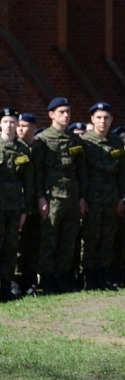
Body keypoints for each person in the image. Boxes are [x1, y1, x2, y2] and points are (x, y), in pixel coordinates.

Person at [33, 97, 88, 294]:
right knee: (49, 240)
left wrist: (82, 197)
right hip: (52, 197)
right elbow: (37, 172)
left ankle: (63, 278)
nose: (65, 115)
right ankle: (47, 280)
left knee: (68, 240)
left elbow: (81, 171)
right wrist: (40, 198)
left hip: (72, 197)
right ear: (51, 115)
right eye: (61, 112)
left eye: (68, 112)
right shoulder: (43, 140)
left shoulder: (75, 140)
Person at [80, 102, 125, 290]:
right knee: (91, 238)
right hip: (92, 197)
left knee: (108, 238)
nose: (103, 121)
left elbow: (122, 174)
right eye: (99, 117)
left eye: (106, 118)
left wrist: (121, 198)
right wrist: (82, 198)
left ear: (111, 120)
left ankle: (103, 276)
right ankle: (89, 278)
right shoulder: (85, 142)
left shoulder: (117, 142)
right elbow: (82, 172)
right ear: (92, 119)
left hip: (111, 198)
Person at [0, 109, 34, 300]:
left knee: (10, 247)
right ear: (0, 124)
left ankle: (5, 287)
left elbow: (28, 182)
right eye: (6, 121)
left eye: (13, 122)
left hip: (14, 208)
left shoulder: (23, 150)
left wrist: (25, 210)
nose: (10, 125)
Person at [15, 112, 39, 296]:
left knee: (33, 243)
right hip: (17, 203)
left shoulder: (40, 148)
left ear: (33, 127)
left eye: (24, 125)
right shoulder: (14, 148)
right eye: (18, 125)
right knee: (16, 245)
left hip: (36, 203)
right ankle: (15, 280)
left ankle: (30, 280)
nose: (20, 129)